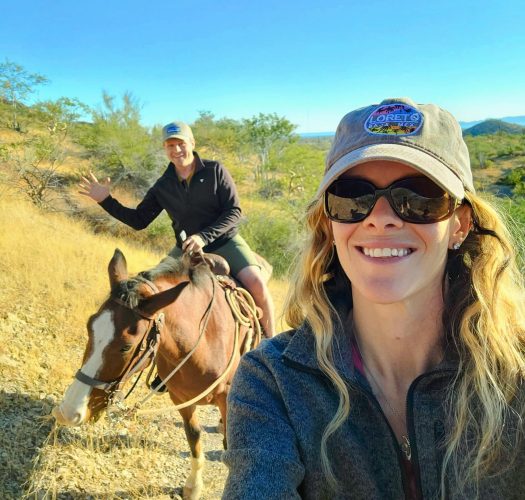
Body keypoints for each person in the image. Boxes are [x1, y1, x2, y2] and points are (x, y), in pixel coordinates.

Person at [222, 98, 525, 499]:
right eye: (352, 197)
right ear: (329, 226)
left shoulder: (514, 375)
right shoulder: (273, 382)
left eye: (418, 197)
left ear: (460, 225)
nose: (380, 217)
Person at [78, 121, 275, 342]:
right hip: (185, 250)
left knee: (256, 283)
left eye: (180, 143)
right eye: (170, 145)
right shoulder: (163, 185)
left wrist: (203, 236)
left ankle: (270, 343)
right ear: (165, 149)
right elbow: (139, 220)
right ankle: (153, 349)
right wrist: (105, 200)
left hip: (225, 241)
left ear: (192, 142)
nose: (176, 150)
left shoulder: (214, 171)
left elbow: (234, 211)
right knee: (151, 288)